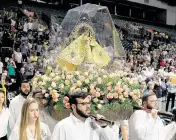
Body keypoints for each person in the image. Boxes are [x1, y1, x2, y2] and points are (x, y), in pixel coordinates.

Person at [51, 92, 117, 140]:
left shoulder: (96, 123)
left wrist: (104, 126)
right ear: (74, 106)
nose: (88, 107)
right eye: (83, 104)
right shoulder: (62, 126)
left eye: (88, 103)